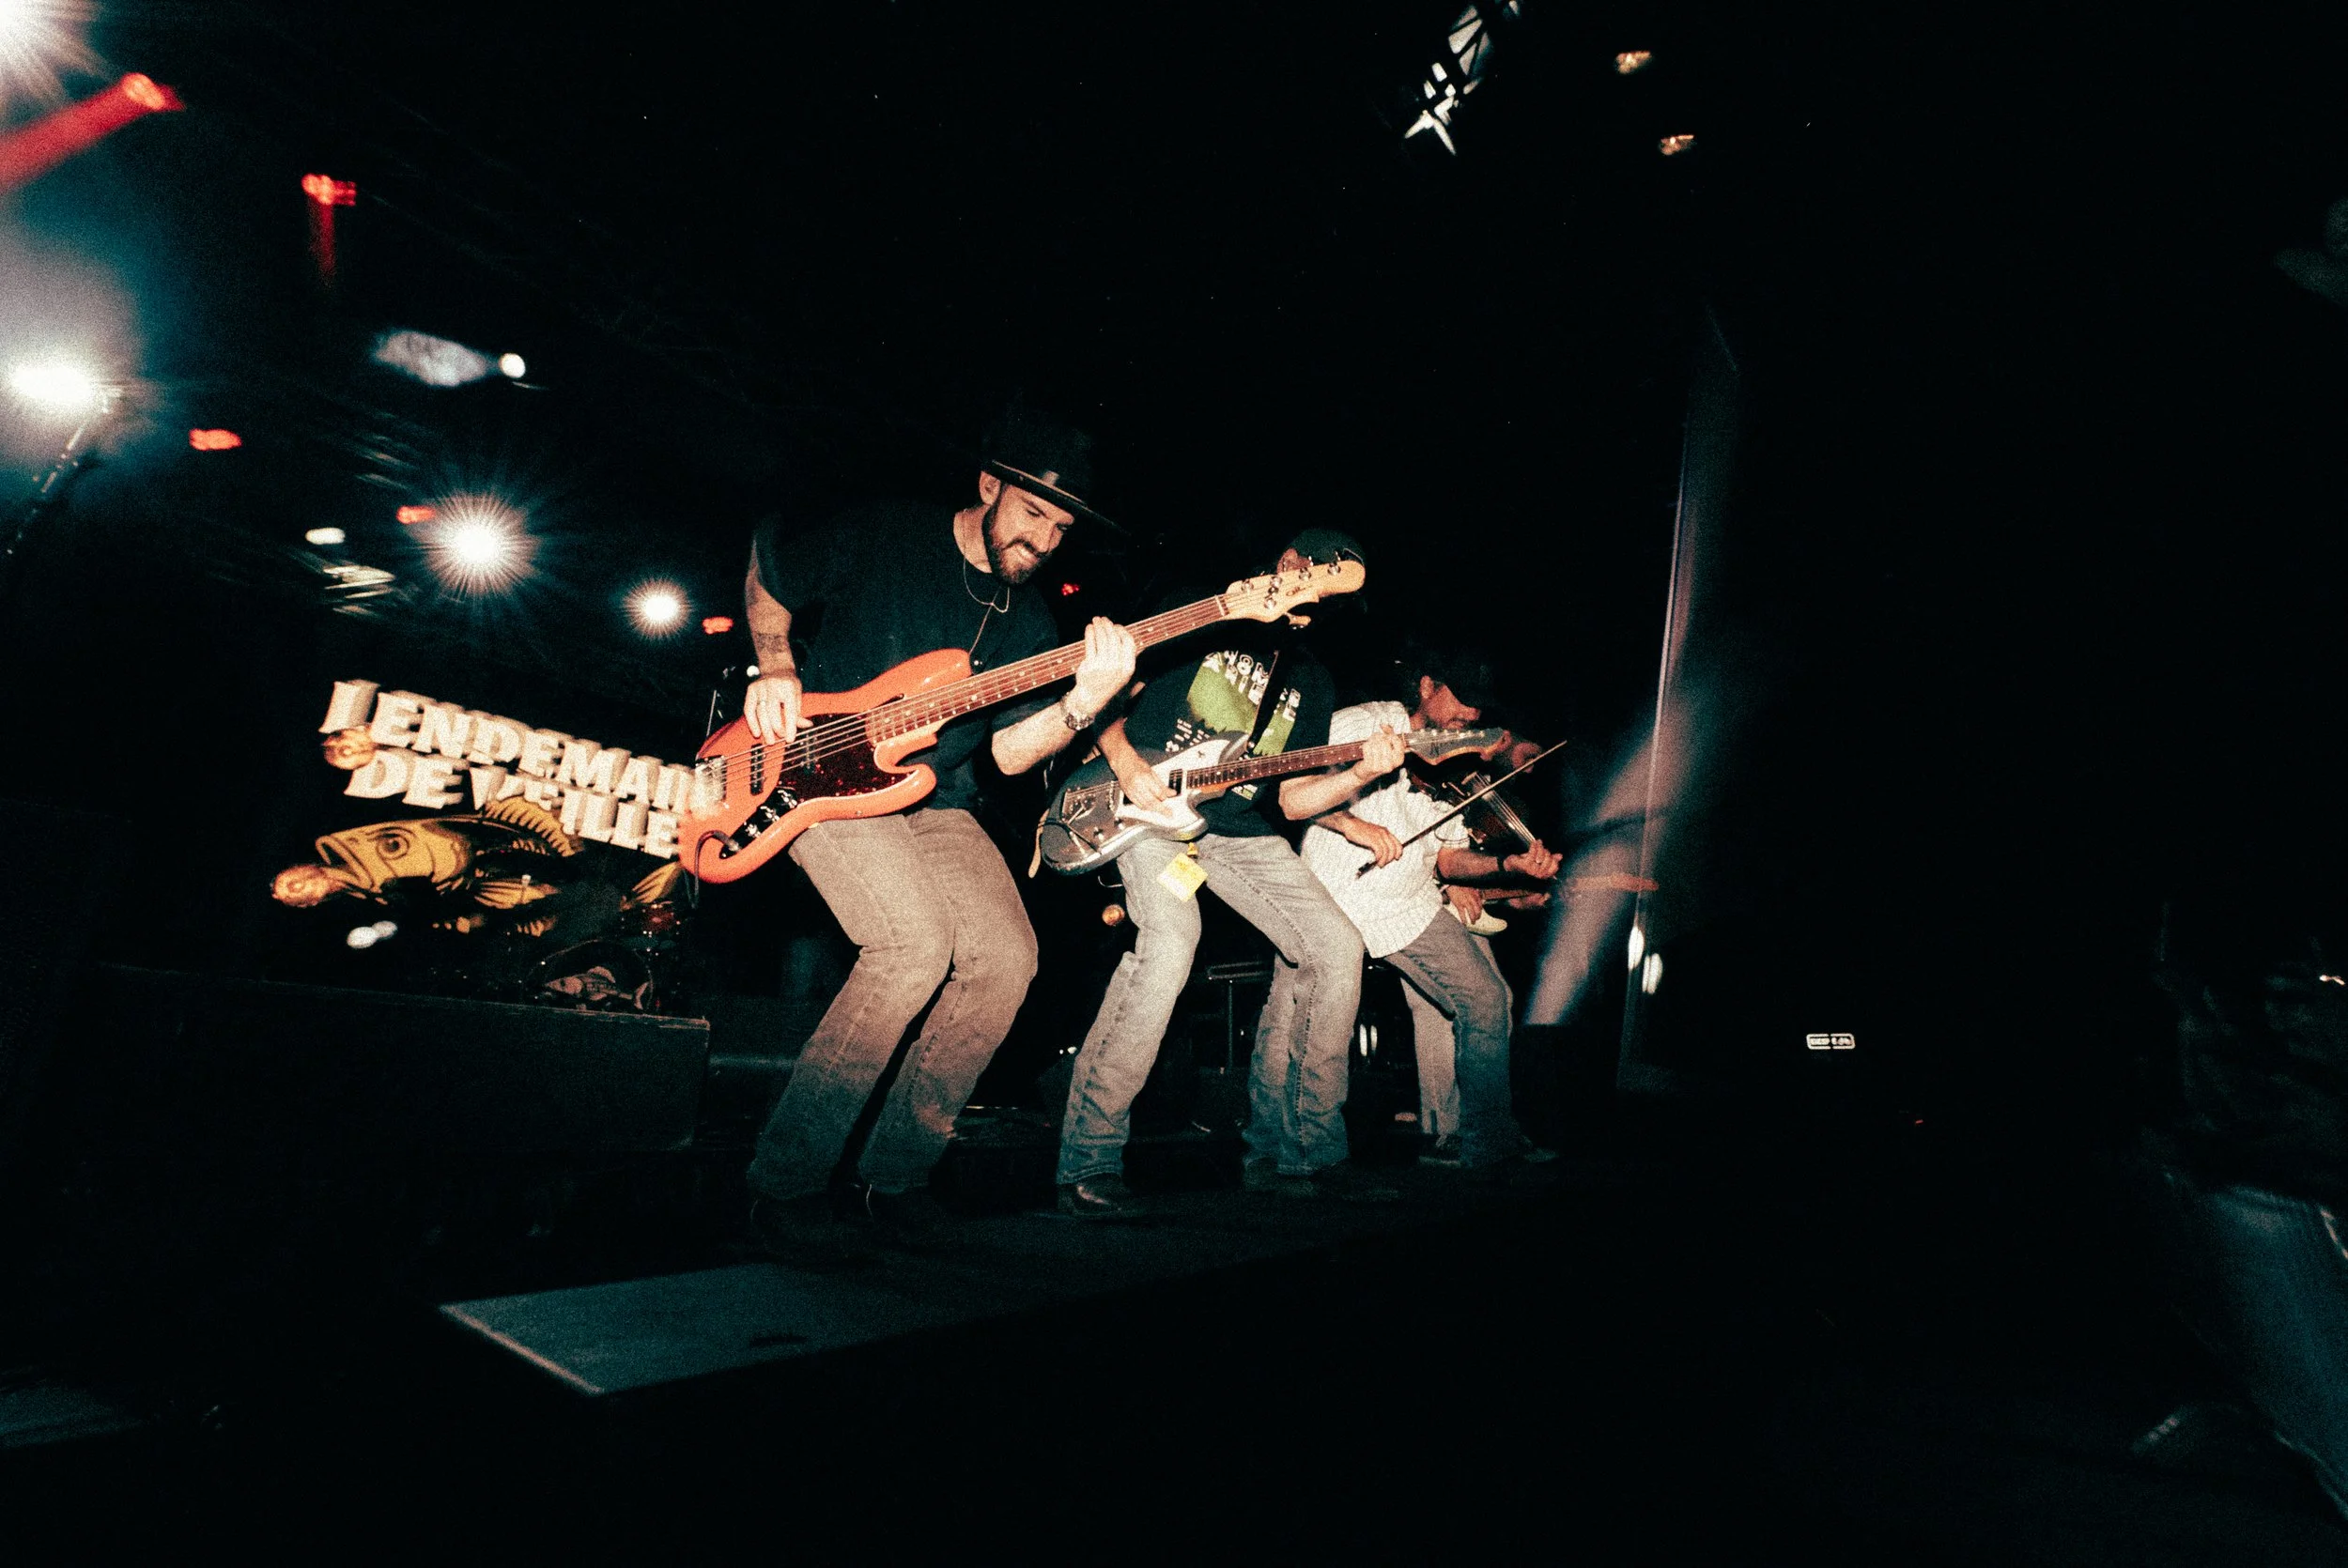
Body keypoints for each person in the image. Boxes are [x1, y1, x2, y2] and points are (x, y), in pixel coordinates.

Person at [738, 407, 1139, 1261]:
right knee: (912, 947)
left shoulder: (1032, 623)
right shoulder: (888, 533)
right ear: (990, 486)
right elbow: (770, 566)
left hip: (939, 797)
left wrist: (1082, 704)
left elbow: (1006, 749)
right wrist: (776, 664)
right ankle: (787, 1183)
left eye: (1061, 528)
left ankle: (897, 1176)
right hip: (814, 775)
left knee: (1007, 960)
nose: (1044, 540)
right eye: (1033, 513)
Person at [1056, 530, 1403, 1217]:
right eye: (1327, 578)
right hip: (1146, 805)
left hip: (1239, 832)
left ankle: (1301, 1155)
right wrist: (1128, 766)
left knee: (1338, 948)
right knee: (1171, 944)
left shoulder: (1312, 678)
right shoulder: (1205, 612)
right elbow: (1099, 696)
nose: (1328, 600)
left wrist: (1361, 772)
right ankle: (1087, 1161)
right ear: (1294, 565)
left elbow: (1290, 798)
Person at [1302, 643, 1562, 1175]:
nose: (1470, 716)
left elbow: (1446, 857)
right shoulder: (1365, 721)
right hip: (1349, 892)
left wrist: (1510, 865)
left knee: (1489, 998)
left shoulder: (1455, 762)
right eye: (1461, 702)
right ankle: (1300, 1157)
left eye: (1478, 709)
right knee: (1314, 1032)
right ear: (1426, 688)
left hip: (1409, 901)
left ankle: (1485, 1139)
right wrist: (1353, 822)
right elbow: (1295, 790)